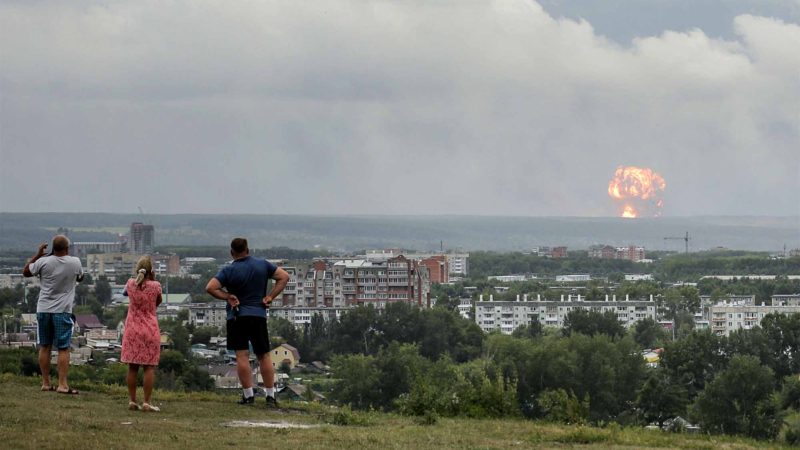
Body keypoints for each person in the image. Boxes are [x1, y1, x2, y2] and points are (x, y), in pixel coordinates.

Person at [206, 238, 290, 407]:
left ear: (232, 252)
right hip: (258, 315)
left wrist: (228, 296)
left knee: (242, 356)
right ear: (248, 250)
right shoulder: (262, 265)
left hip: (237, 316)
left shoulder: (228, 270)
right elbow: (284, 276)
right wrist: (270, 296)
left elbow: (210, 287)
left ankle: (248, 395)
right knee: (264, 355)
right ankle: (270, 396)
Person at [22, 235, 84, 394]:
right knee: (63, 348)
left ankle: (46, 383)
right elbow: (81, 277)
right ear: (67, 248)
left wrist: (38, 255)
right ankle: (63, 384)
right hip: (62, 311)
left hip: (43, 309)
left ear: (52, 249)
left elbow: (26, 271)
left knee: (45, 346)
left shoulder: (43, 262)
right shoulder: (75, 262)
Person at [120, 256, 163, 412]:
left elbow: (124, 293)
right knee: (149, 367)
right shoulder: (156, 286)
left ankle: (132, 400)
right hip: (150, 329)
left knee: (132, 367)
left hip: (132, 328)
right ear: (151, 270)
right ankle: (146, 402)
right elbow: (157, 302)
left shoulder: (130, 284)